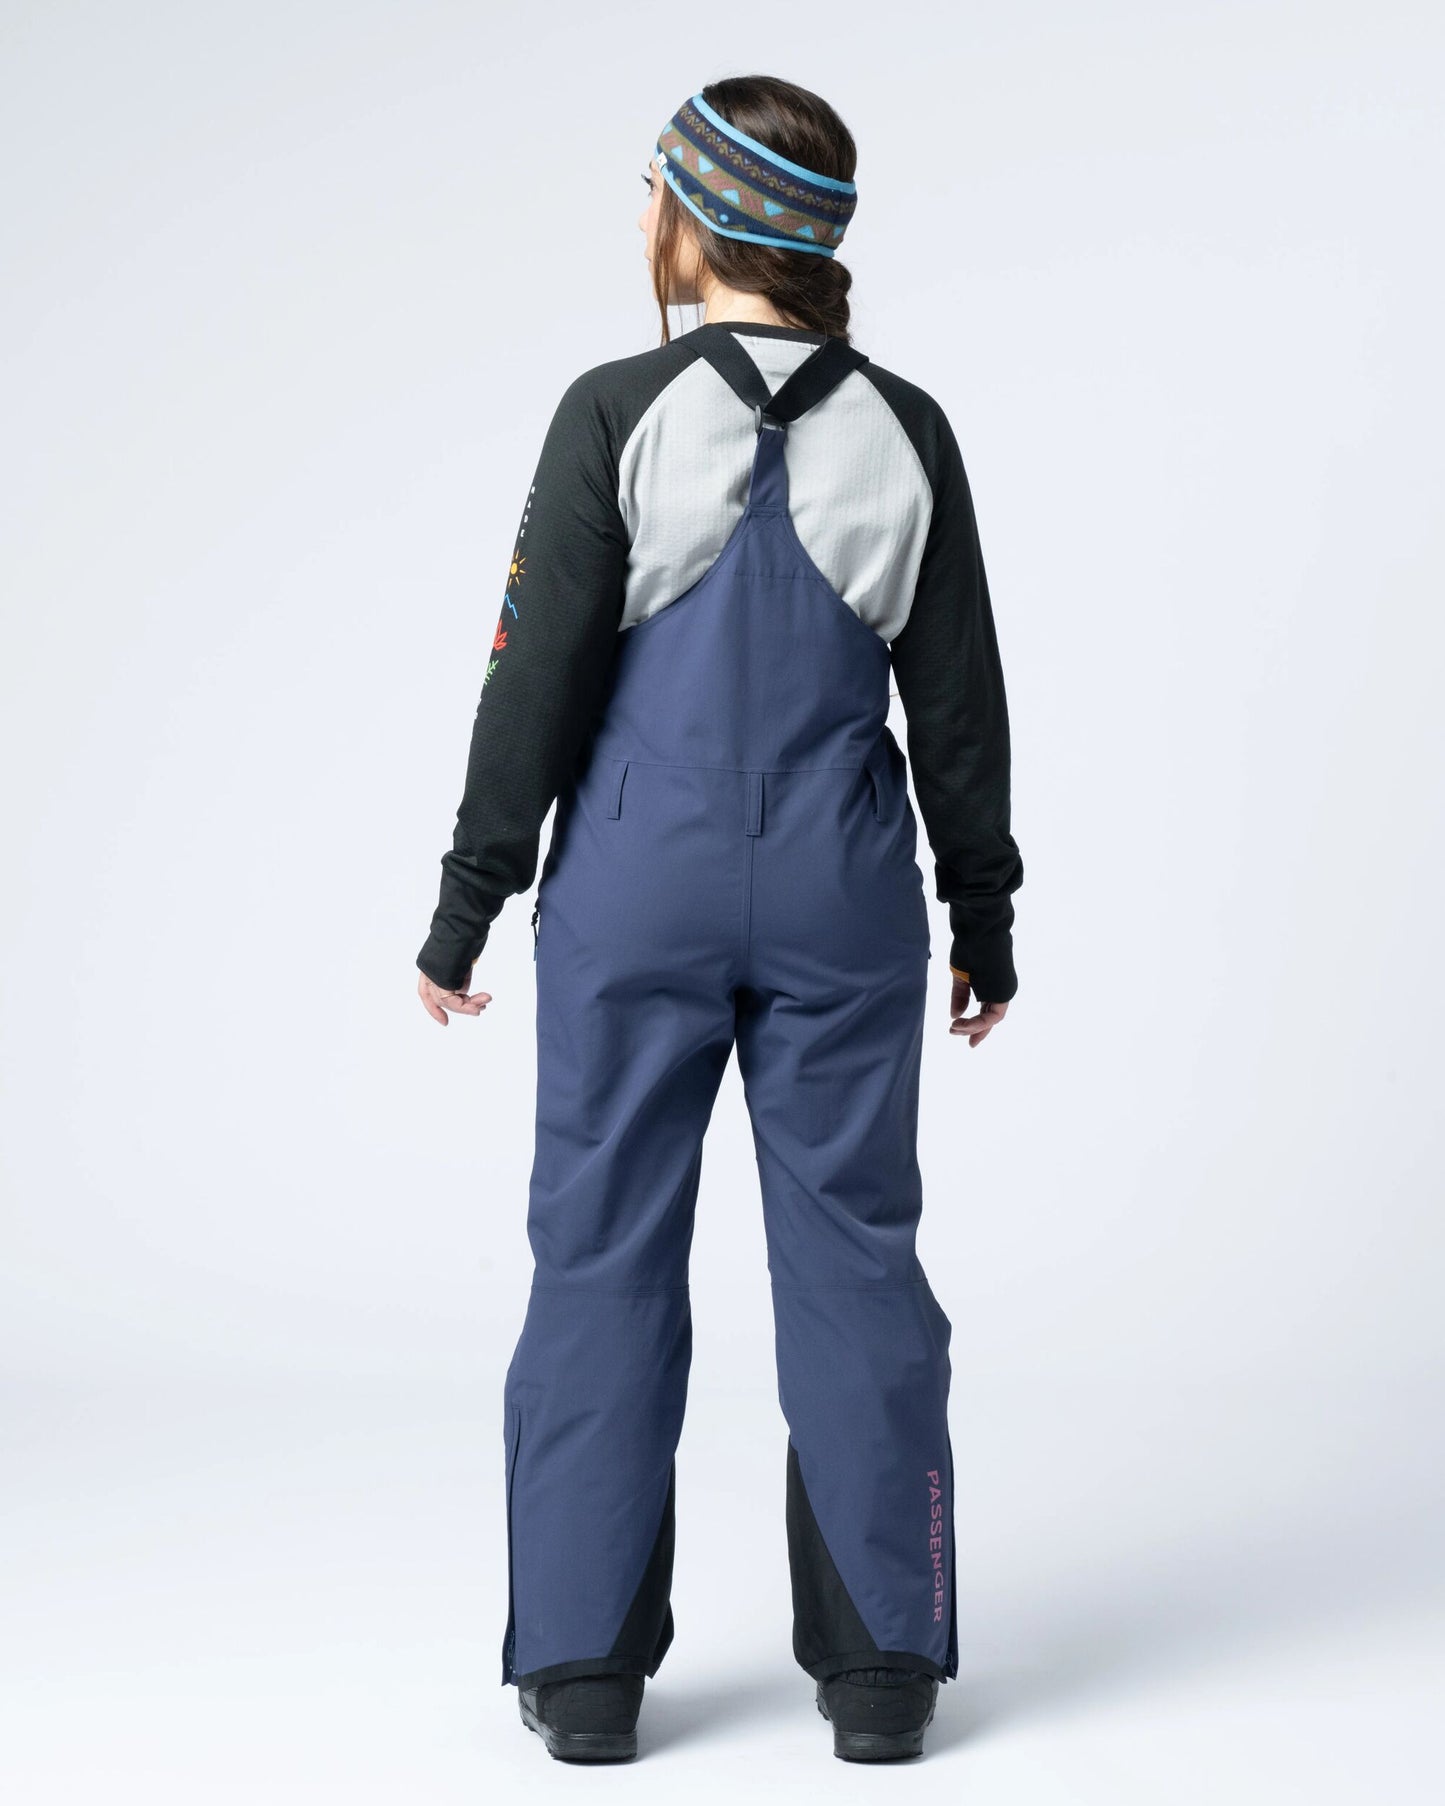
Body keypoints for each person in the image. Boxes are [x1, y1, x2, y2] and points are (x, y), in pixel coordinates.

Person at [414, 74, 1024, 1765]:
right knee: (855, 1254)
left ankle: (585, 1672)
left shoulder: (615, 410)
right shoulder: (906, 428)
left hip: (635, 882)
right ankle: (884, 1669)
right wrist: (982, 914)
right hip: (842, 889)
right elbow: (958, 705)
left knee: (603, 1248)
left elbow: (534, 678)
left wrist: (467, 902)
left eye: (652, 189)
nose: (637, 218)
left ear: (704, 215)